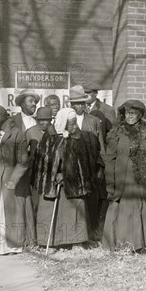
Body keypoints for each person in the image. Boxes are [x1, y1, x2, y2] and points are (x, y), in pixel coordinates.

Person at [34, 108, 102, 249]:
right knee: (48, 209)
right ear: (63, 123)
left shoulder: (78, 138)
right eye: (71, 124)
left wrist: (67, 174)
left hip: (74, 182)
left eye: (75, 123)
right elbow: (44, 161)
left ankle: (76, 240)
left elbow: (83, 162)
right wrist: (55, 173)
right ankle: (50, 241)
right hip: (53, 183)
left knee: (75, 210)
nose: (75, 127)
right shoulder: (50, 136)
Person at [102, 100, 146, 251]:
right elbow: (110, 157)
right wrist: (111, 179)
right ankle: (124, 243)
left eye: (133, 113)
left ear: (140, 114)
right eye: (127, 113)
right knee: (126, 207)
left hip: (144, 173)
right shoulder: (117, 131)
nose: (130, 116)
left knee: (145, 204)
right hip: (124, 175)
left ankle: (145, 242)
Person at [0, 105, 33, 257]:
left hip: (11, 177)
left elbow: (23, 162)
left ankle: (12, 246)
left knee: (10, 211)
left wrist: (14, 180)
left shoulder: (18, 134)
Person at [67, 85, 104, 239]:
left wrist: (101, 167)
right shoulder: (66, 120)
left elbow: (101, 146)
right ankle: (77, 234)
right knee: (76, 202)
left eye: (83, 103)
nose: (81, 106)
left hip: (91, 168)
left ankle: (93, 232)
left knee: (92, 201)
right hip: (73, 168)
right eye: (77, 103)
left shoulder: (94, 121)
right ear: (71, 105)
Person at [26, 107, 54, 213]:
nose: (42, 123)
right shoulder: (30, 132)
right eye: (40, 120)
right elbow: (24, 152)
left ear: (50, 120)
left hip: (50, 172)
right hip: (35, 172)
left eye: (45, 120)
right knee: (35, 202)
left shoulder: (55, 131)